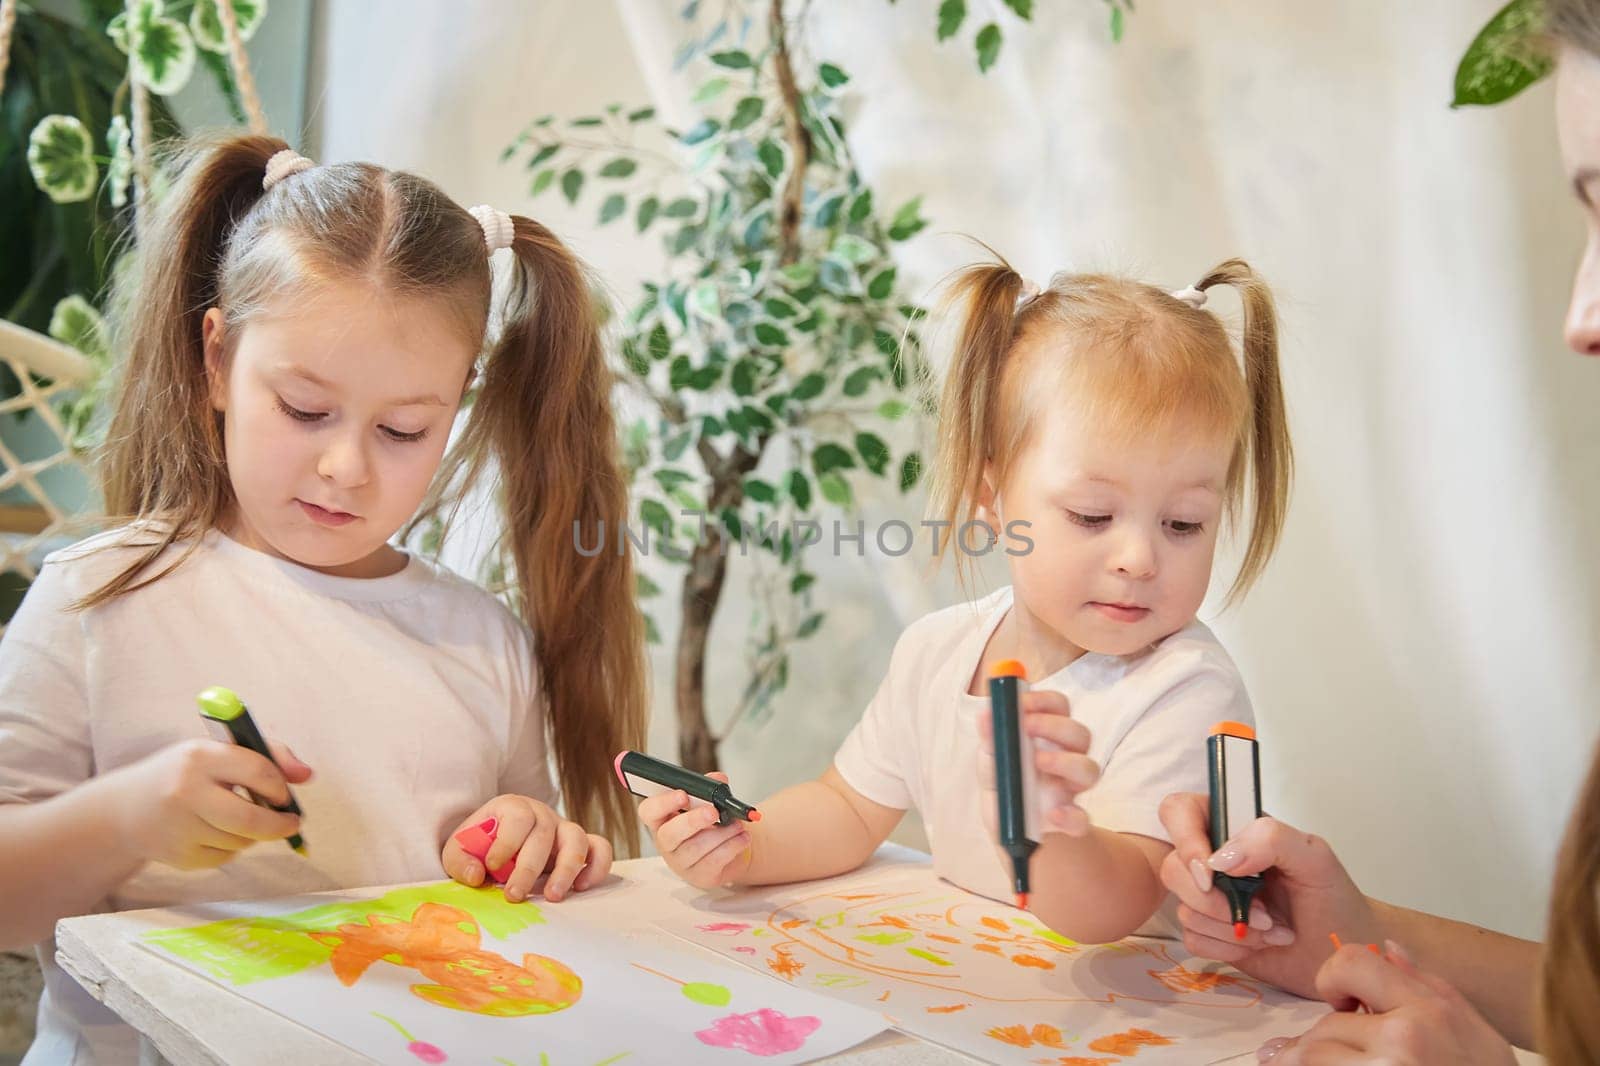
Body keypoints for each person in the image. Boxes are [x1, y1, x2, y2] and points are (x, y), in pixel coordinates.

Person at [0, 134, 647, 1064]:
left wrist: (530, 844)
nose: (345, 467)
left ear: (455, 404)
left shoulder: (481, 640)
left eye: (402, 429)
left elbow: (518, 873)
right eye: (305, 411)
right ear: (216, 360)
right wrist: (125, 820)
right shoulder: (100, 600)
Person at [641, 254, 1294, 945]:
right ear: (993, 502)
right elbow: (847, 809)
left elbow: (1112, 910)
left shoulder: (1185, 687)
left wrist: (1054, 832)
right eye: (1093, 516)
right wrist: (744, 849)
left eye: (1184, 524)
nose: (1138, 558)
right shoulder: (935, 652)